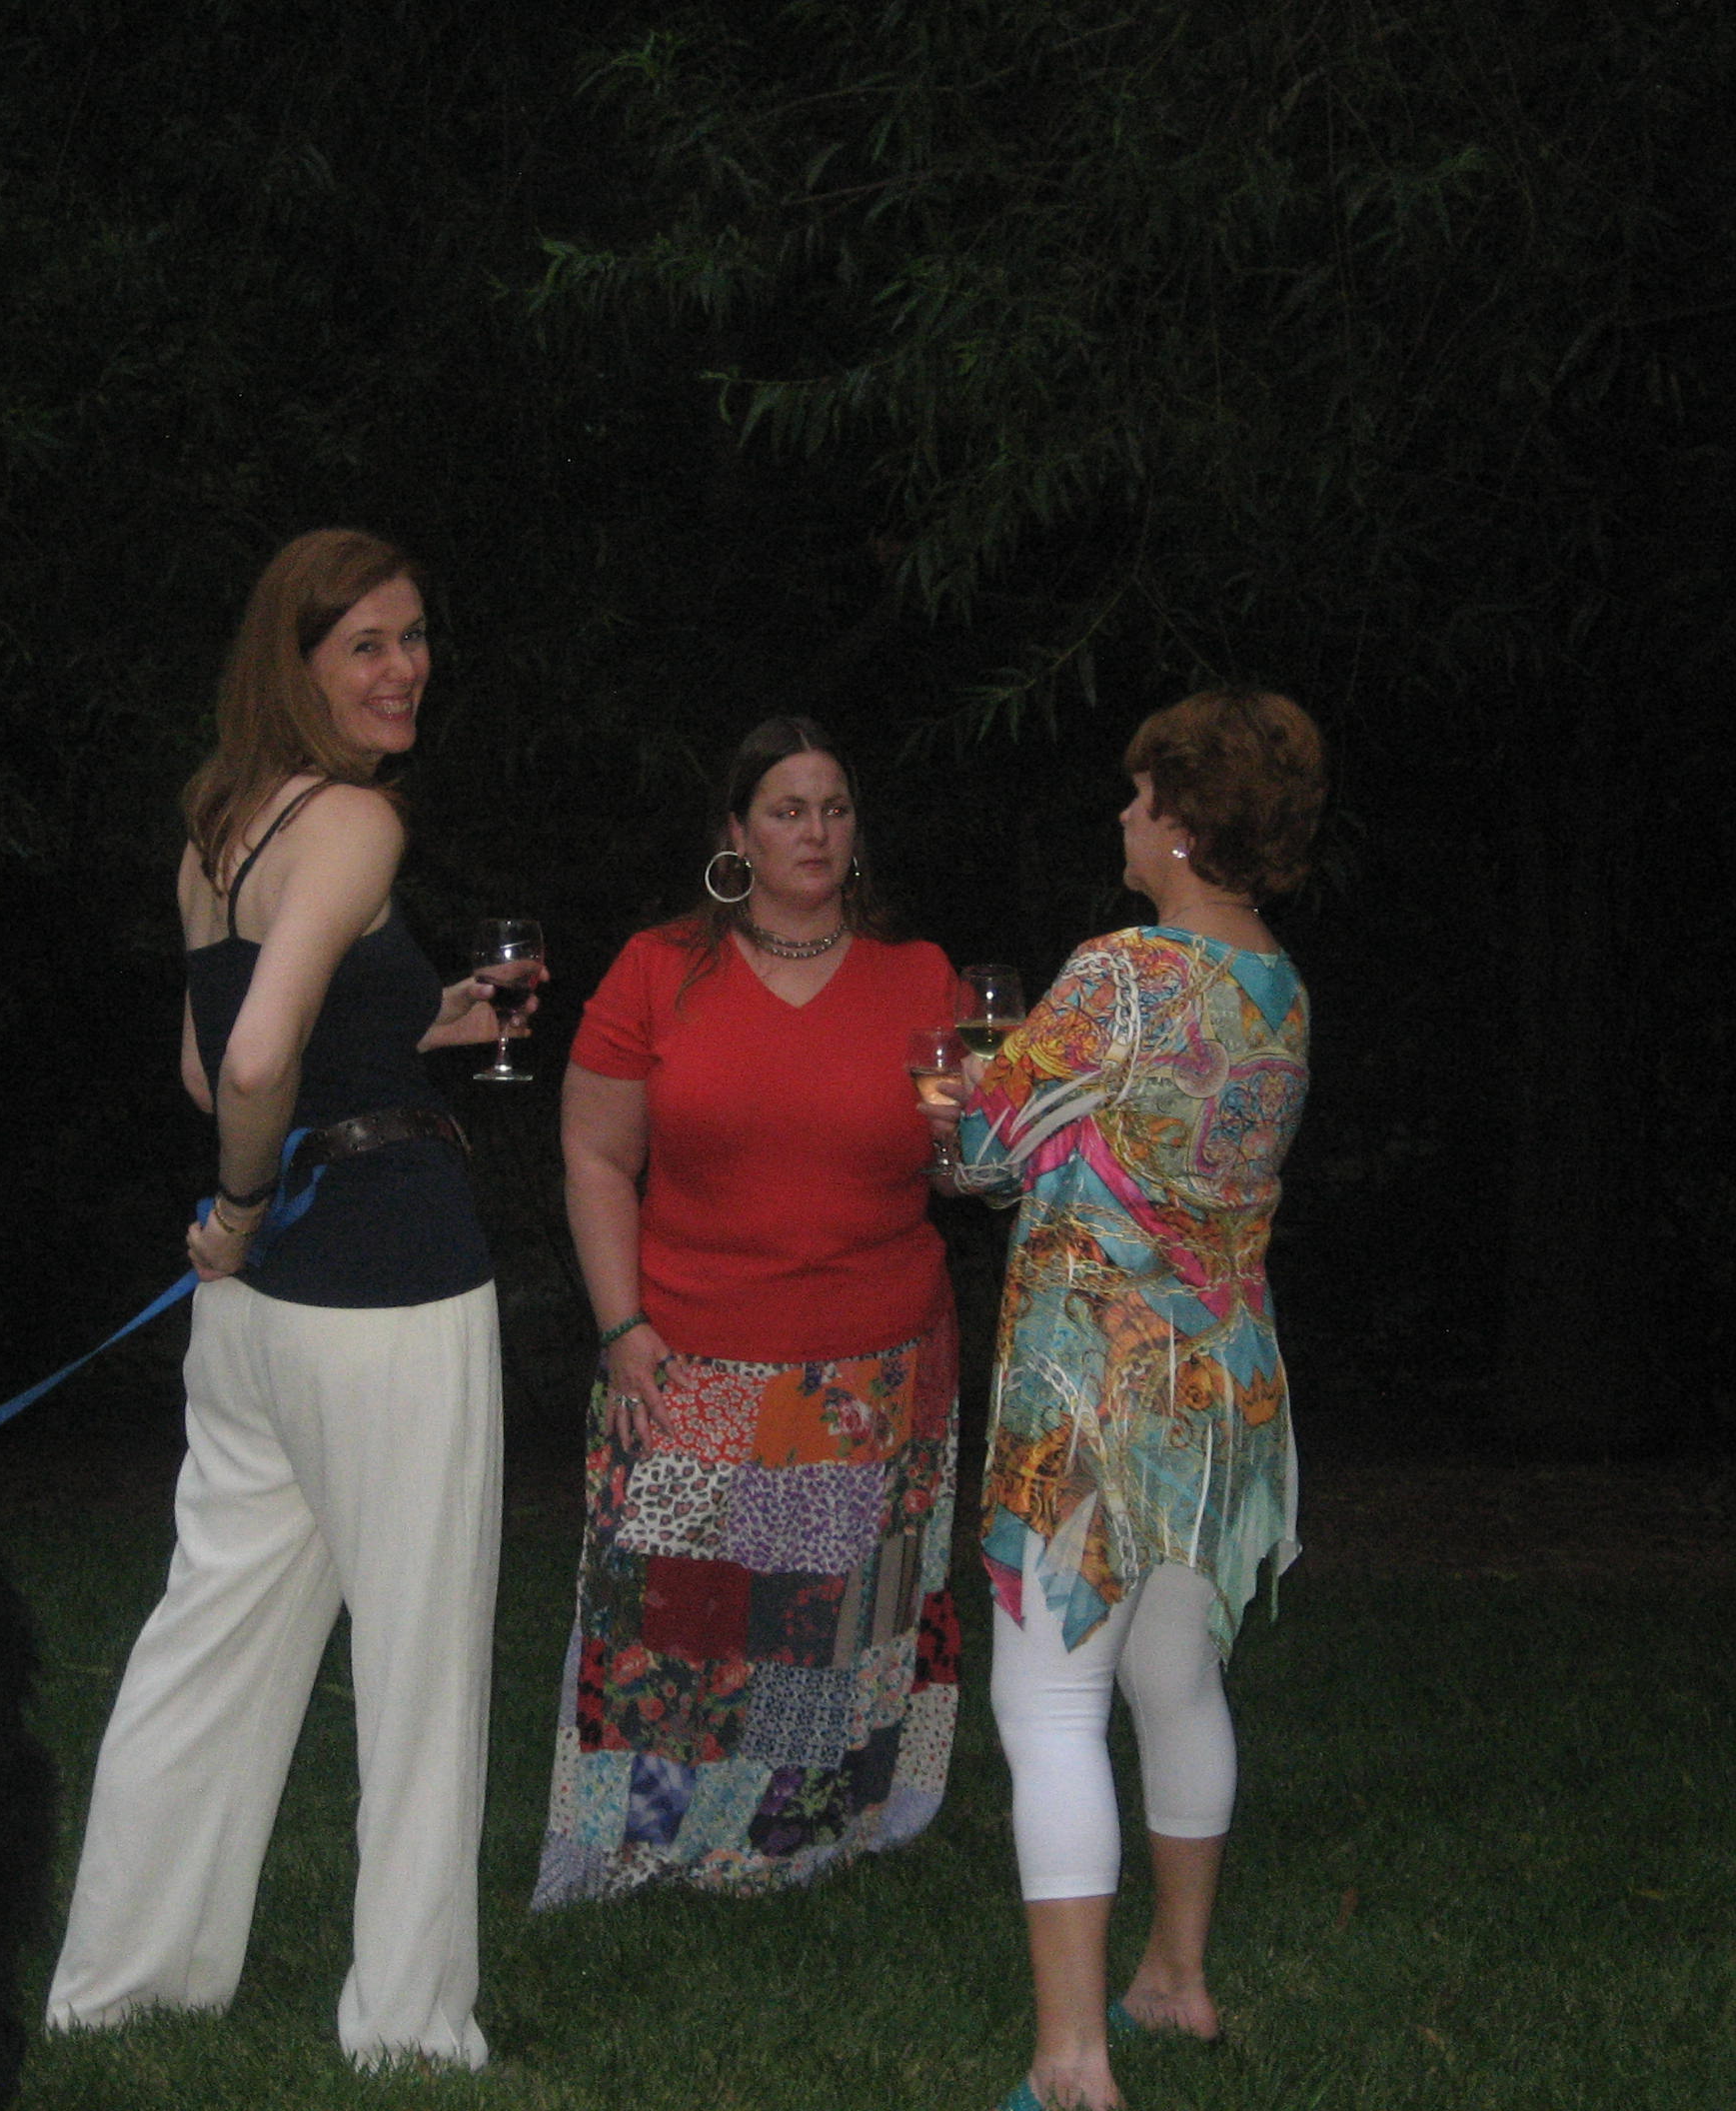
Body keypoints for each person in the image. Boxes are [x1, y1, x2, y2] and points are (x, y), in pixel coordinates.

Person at [45, 529, 524, 2069]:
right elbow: (249, 1067)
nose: (404, 668)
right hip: (383, 1287)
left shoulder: (220, 829)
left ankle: (119, 1984)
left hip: (257, 1321)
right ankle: (408, 2027)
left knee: (211, 1641)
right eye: (365, 643)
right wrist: (242, 1205)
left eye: (414, 635)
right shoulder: (358, 823)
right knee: (421, 1664)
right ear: (296, 662)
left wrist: (415, 1031)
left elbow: (218, 1062)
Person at [945, 689, 1325, 2111]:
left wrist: (963, 1093)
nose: (1121, 813)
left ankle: (1071, 2064)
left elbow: (987, 1156)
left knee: (1049, 1706)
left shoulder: (1119, 974)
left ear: (1179, 819)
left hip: (1090, 1393)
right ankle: (1172, 1977)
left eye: (1137, 793)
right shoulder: (1281, 986)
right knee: (1177, 1680)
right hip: (1221, 1397)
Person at [532, 716, 966, 1907]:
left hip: (871, 1370)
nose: (813, 832)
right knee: (670, 1624)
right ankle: (645, 1843)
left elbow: (959, 1173)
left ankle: (801, 1843)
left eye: (833, 809)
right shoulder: (657, 969)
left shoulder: (919, 978)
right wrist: (621, 1327)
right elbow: (593, 1156)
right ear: (736, 832)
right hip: (689, 1359)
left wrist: (979, 1125)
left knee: (825, 1632)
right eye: (786, 810)